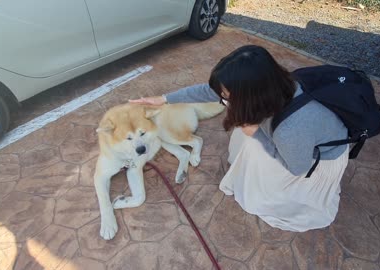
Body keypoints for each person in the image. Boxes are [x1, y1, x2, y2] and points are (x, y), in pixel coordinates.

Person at [129, 45, 349, 232]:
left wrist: (258, 135)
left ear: (250, 95)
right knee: (246, 136)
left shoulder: (289, 130)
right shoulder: (273, 85)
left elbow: (298, 168)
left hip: (315, 160)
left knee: (253, 145)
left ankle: (269, 192)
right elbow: (209, 92)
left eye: (226, 97)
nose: (222, 99)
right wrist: (165, 99)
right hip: (296, 140)